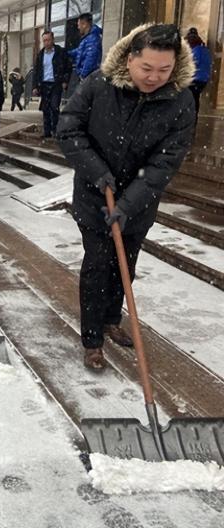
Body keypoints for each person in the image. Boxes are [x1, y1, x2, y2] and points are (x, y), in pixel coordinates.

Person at [57, 24, 195, 370]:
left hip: (138, 203)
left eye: (164, 70)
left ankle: (110, 320)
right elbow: (69, 129)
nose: (154, 77)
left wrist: (127, 204)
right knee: (97, 265)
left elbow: (164, 163)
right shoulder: (99, 85)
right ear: (131, 58)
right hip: (94, 195)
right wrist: (97, 172)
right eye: (146, 68)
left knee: (124, 265)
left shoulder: (179, 100)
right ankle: (91, 339)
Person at [33, 30, 70, 139]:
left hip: (56, 84)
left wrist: (65, 81)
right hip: (44, 84)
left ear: (52, 39)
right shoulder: (40, 54)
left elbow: (68, 67)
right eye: (44, 40)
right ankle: (47, 131)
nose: (46, 42)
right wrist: (35, 86)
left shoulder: (60, 52)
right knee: (45, 108)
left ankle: (55, 130)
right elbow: (36, 71)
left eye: (48, 40)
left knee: (54, 107)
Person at [185, 27, 211, 121]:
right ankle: (193, 117)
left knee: (190, 98)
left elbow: (192, 64)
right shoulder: (204, 49)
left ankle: (191, 119)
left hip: (195, 78)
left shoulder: (196, 50)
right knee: (195, 97)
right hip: (203, 79)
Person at [68, 13, 103, 81]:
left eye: (79, 25)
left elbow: (90, 59)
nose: (78, 28)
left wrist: (82, 76)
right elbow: (79, 51)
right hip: (86, 77)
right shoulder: (87, 39)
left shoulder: (93, 39)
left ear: (84, 24)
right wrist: (65, 52)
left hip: (88, 78)